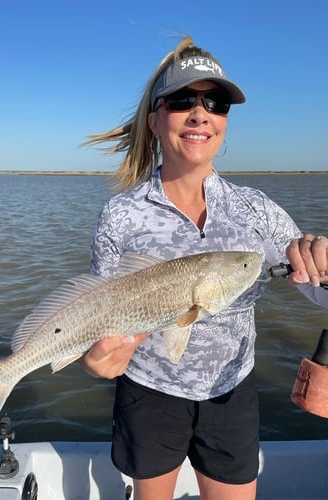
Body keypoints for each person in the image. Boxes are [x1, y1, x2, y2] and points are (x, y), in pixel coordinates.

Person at [80, 35, 328, 500]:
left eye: (215, 102)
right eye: (181, 100)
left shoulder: (256, 209)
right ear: (154, 119)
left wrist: (324, 265)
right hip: (148, 389)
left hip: (231, 389)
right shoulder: (121, 214)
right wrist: (96, 361)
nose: (200, 113)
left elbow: (314, 286)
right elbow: (100, 311)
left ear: (224, 122)